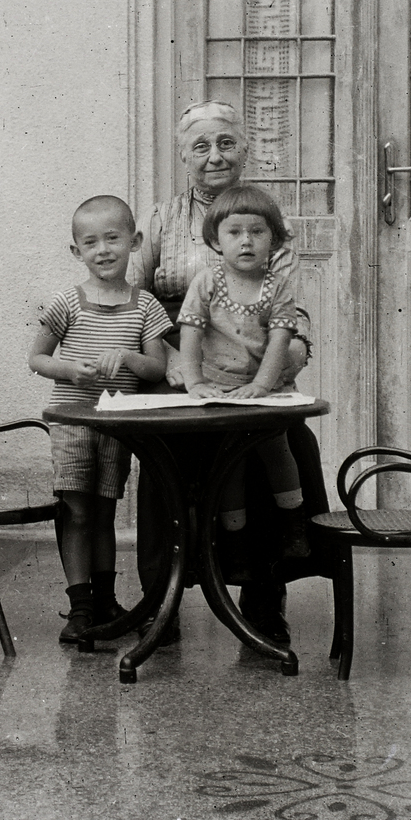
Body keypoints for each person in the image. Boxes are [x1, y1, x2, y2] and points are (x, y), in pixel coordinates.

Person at [128, 101, 318, 644]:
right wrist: (167, 361)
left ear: (245, 149)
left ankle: (263, 598)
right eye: (202, 146)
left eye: (227, 143)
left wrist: (297, 347)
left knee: (280, 445)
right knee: (163, 458)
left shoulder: (263, 215)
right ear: (184, 156)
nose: (216, 156)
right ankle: (159, 599)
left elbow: (287, 305)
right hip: (174, 360)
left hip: (251, 365)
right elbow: (136, 297)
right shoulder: (161, 219)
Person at [29, 195, 171, 644]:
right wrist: (71, 370)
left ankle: (106, 600)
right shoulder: (67, 302)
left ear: (135, 241)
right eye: (90, 242)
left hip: (116, 425)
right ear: (77, 252)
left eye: (113, 238)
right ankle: (80, 607)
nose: (103, 250)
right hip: (72, 422)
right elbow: (36, 358)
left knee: (106, 511)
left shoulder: (145, 306)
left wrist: (128, 356)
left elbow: (158, 368)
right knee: (76, 511)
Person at [177, 185, 310, 562]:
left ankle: (293, 526)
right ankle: (234, 541)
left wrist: (262, 385)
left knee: (277, 449)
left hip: (265, 387)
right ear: (216, 241)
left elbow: (280, 340)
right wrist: (194, 381)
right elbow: (190, 333)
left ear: (274, 239)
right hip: (219, 387)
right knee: (228, 462)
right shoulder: (205, 281)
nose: (246, 241)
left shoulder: (278, 285)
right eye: (234, 233)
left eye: (257, 232)